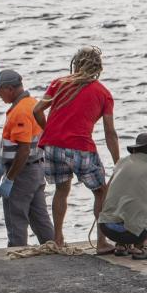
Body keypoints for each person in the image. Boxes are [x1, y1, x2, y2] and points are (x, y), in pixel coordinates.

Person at [32, 46, 121, 252]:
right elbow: (110, 132)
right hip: (80, 147)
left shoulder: (59, 83)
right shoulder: (103, 94)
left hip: (51, 147)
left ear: (76, 63)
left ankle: (58, 239)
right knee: (101, 192)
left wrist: (50, 131)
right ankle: (101, 242)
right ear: (98, 68)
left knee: (61, 190)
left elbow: (36, 110)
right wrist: (118, 162)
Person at [0, 69, 53, 246]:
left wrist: (10, 178)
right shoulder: (32, 103)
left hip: (22, 173)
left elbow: (23, 149)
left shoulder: (20, 111)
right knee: (40, 218)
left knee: (16, 219)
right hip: (36, 170)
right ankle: (53, 247)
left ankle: (17, 252)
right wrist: (2, 164)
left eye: (0, 90)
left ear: (10, 89)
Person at [97, 133, 147, 259]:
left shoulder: (121, 163)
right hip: (131, 234)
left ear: (135, 150)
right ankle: (142, 245)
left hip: (106, 227)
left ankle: (121, 245)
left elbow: (106, 194)